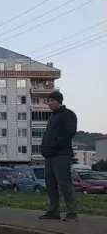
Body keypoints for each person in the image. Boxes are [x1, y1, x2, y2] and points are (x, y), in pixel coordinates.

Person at [38, 91, 78, 221]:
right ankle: (53, 211)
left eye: (51, 101)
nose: (48, 103)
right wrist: (44, 148)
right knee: (51, 184)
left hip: (61, 154)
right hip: (49, 156)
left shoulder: (68, 114)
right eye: (48, 101)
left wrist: (55, 145)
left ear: (58, 101)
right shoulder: (52, 117)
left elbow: (69, 132)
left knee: (64, 183)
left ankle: (72, 213)